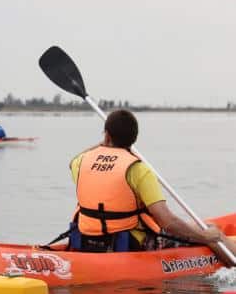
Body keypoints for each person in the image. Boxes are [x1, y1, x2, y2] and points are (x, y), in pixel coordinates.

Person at [68, 109, 234, 254]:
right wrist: (203, 237)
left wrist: (105, 143)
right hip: (131, 244)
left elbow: (75, 160)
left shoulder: (81, 162)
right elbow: (167, 222)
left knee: (205, 229)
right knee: (212, 230)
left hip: (87, 240)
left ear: (106, 135)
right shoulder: (138, 169)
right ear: (134, 139)